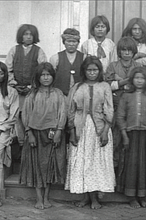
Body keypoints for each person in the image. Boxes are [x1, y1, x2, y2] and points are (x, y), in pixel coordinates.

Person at [65, 56, 115, 209]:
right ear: (84, 71)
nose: (92, 73)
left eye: (95, 70)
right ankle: (85, 197)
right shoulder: (77, 87)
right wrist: (72, 131)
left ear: (99, 71)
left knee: (96, 163)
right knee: (82, 162)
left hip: (99, 128)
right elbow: (71, 110)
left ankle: (95, 199)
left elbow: (109, 109)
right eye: (89, 70)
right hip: (81, 128)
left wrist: (106, 131)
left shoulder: (105, 86)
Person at [19, 62, 67, 210]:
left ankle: (47, 197)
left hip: (53, 134)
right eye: (43, 75)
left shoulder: (58, 94)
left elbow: (62, 113)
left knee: (49, 166)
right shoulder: (32, 95)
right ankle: (38, 198)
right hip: (36, 134)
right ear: (38, 77)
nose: (46, 78)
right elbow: (25, 115)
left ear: (53, 77)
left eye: (48, 75)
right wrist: (29, 133)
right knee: (37, 167)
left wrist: (59, 131)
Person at [116, 66, 146, 208]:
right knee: (132, 165)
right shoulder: (126, 96)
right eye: (136, 78)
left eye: (142, 78)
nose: (139, 81)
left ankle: (143, 196)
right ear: (132, 79)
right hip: (131, 135)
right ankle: (131, 197)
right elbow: (120, 116)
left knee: (145, 166)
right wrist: (124, 135)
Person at [5, 24, 47, 154]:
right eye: (25, 34)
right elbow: (8, 69)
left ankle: (33, 143)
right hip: (17, 90)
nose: (28, 37)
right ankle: (22, 144)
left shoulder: (39, 51)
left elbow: (43, 69)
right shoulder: (14, 50)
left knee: (32, 115)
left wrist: (32, 86)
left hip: (33, 90)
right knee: (18, 116)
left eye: (31, 34)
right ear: (21, 36)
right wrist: (14, 83)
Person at [105, 36, 141, 169]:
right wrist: (124, 82)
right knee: (115, 139)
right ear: (119, 51)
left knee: (131, 140)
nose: (126, 53)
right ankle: (112, 170)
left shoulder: (138, 66)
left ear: (134, 52)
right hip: (116, 105)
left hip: (133, 107)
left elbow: (140, 84)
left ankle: (127, 172)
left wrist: (120, 82)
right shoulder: (112, 66)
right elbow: (107, 85)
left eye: (129, 50)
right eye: (124, 50)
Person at [0, 62, 19, 206]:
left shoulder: (11, 92)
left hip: (3, 130)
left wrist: (3, 128)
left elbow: (13, 115)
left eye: (1, 73)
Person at [50, 28, 84, 97]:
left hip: (80, 96)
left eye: (74, 41)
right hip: (60, 95)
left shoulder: (84, 58)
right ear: (64, 42)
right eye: (68, 41)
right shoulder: (56, 58)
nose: (71, 44)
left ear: (78, 43)